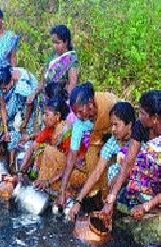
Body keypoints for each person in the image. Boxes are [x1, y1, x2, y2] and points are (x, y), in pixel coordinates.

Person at [69, 101, 136, 220]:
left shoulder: (140, 142)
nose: (113, 129)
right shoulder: (112, 143)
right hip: (113, 190)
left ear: (129, 124)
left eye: (116, 125)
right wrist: (79, 200)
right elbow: (97, 172)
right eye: (112, 125)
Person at [57, 82, 117, 207]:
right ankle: (97, 197)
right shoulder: (80, 123)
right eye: (75, 113)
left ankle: (110, 197)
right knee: (90, 157)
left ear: (90, 103)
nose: (78, 116)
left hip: (118, 139)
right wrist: (62, 192)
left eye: (79, 111)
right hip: (99, 141)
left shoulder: (109, 104)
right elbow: (71, 158)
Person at [105, 90, 161, 220]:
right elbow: (128, 162)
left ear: (155, 118)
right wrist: (111, 197)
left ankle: (152, 203)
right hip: (148, 179)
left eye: (142, 113)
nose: (139, 116)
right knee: (126, 159)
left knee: (144, 156)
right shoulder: (140, 126)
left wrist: (146, 206)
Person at [20, 88, 70, 181]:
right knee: (40, 147)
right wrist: (21, 172)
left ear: (58, 116)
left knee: (47, 150)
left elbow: (70, 162)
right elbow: (33, 146)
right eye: (44, 114)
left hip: (68, 169)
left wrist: (49, 181)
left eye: (47, 115)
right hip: (58, 166)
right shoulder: (50, 129)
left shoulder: (66, 131)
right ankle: (35, 177)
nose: (43, 118)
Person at [0, 65, 38, 168]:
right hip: (18, 96)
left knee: (25, 131)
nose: (3, 91)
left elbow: (29, 103)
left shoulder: (22, 86)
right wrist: (5, 130)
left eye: (5, 88)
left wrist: (25, 123)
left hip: (30, 97)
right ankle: (11, 164)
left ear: (11, 81)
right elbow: (2, 107)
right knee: (10, 130)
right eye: (1, 89)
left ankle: (25, 164)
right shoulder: (0, 84)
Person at [28, 25, 79, 104]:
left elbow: (72, 84)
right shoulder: (53, 57)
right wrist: (35, 93)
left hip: (59, 102)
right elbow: (45, 78)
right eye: (53, 42)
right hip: (46, 99)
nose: (54, 46)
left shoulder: (71, 59)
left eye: (57, 43)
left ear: (66, 42)